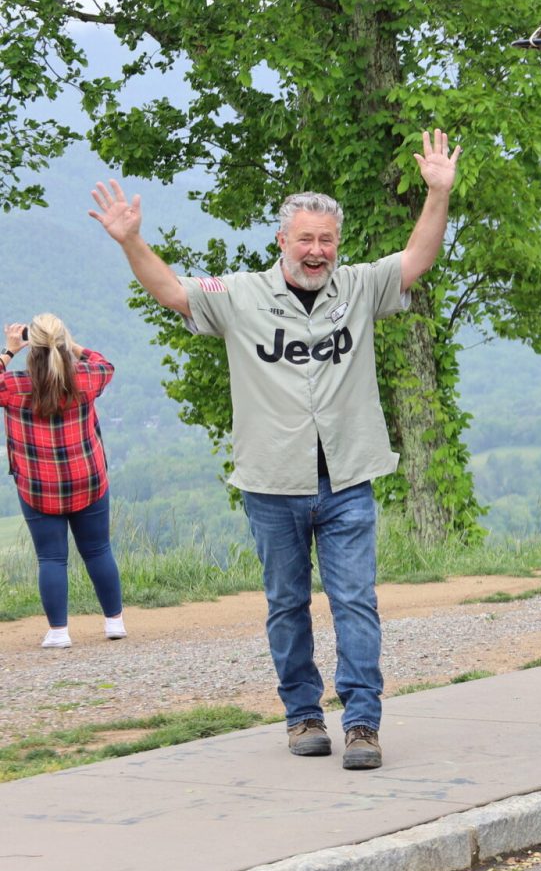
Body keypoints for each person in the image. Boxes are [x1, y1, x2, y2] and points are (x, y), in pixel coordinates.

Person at [88, 132, 460, 770]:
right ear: (281, 241)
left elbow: (416, 260)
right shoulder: (239, 296)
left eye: (327, 240)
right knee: (286, 603)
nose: (317, 251)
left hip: (347, 476)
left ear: (336, 244)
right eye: (305, 239)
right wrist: (130, 241)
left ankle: (363, 723)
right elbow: (174, 292)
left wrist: (437, 193)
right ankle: (304, 716)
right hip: (271, 481)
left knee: (355, 601)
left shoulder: (360, 287)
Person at [1, 315, 125, 650]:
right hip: (87, 480)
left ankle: (59, 632)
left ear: (32, 347)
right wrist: (72, 346)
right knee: (98, 550)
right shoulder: (84, 378)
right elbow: (105, 364)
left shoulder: (14, 387)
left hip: (38, 486)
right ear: (61, 344)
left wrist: (9, 352)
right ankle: (115, 622)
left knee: (51, 559)